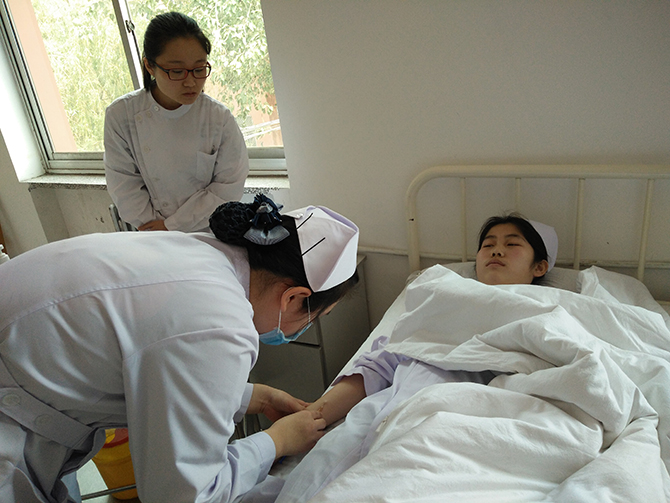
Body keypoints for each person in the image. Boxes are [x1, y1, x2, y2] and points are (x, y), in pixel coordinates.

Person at [0, 194, 359, 503]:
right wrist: (278, 441)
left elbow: (158, 360)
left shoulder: (200, 252)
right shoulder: (221, 324)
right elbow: (183, 494)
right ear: (294, 298)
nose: (305, 328)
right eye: (315, 317)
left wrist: (254, 397)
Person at [270, 213, 558, 502]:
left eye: (512, 244)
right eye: (488, 245)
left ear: (540, 266)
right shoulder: (441, 297)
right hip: (403, 402)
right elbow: (380, 363)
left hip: (484, 417)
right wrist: (309, 416)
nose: (497, 251)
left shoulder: (554, 312)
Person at [104, 12, 249, 233]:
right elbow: (124, 185)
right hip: (151, 232)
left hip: (211, 230)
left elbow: (228, 187)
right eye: (177, 71)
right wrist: (160, 230)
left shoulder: (218, 118)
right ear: (149, 66)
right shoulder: (121, 115)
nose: (190, 82)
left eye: (199, 69)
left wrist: (172, 225)